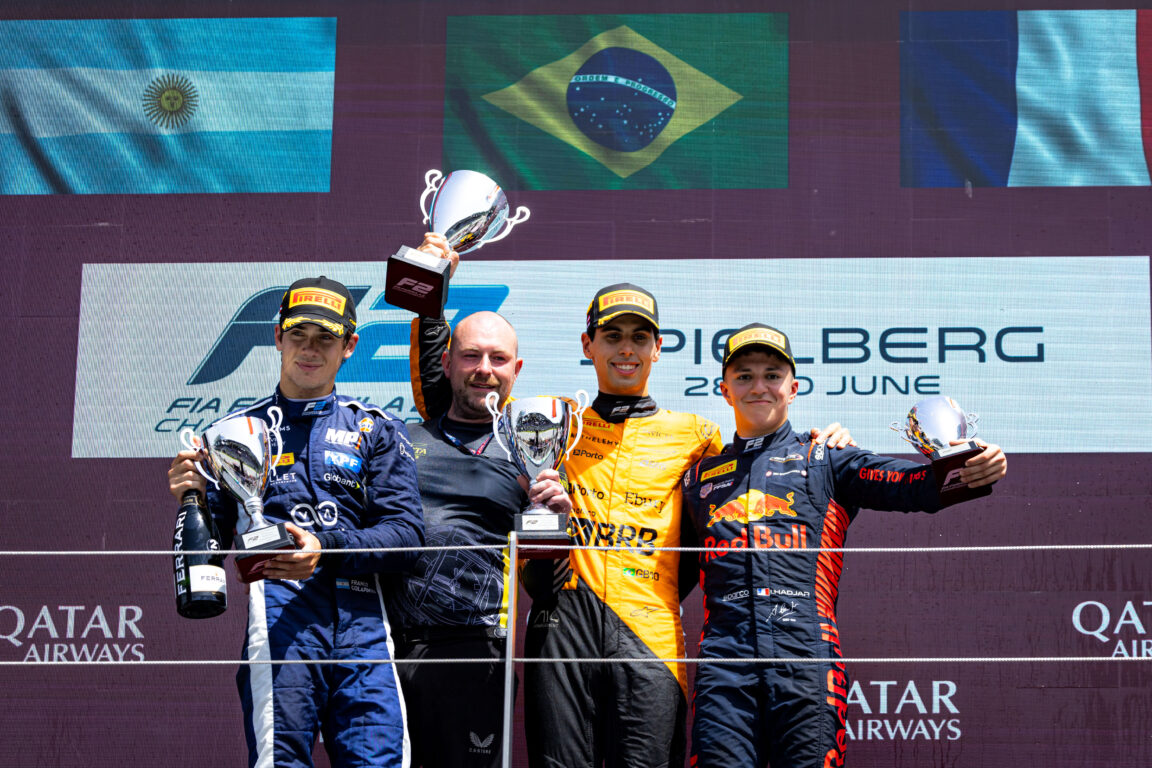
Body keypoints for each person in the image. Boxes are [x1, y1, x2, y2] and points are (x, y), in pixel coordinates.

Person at [407, 241, 853, 768]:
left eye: (640, 338)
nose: (626, 349)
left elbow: (759, 462)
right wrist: (427, 289)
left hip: (650, 632)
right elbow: (449, 400)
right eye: (612, 336)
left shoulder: (696, 434)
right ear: (587, 344)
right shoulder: (554, 419)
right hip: (560, 625)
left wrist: (818, 441)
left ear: (658, 348)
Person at [680, 323, 1008, 768]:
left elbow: (912, 485)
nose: (760, 386)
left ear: (793, 388)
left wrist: (972, 467)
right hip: (725, 661)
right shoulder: (698, 477)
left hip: (807, 656)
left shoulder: (828, 456)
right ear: (724, 390)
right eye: (744, 376)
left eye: (772, 375)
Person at [167, 276, 425, 768]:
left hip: (364, 616)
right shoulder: (230, 434)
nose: (310, 349)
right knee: (278, 761)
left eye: (325, 338)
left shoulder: (375, 429)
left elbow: (408, 537)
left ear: (349, 346)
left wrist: (323, 548)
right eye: (299, 335)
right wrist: (193, 498)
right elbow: (210, 548)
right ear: (278, 337)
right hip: (280, 618)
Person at [392, 309, 571, 768]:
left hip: (479, 653)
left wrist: (557, 529)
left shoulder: (536, 455)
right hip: (385, 650)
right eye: (471, 356)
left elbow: (545, 589)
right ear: (447, 362)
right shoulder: (396, 440)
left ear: (517, 369)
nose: (484, 369)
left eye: (498, 358)